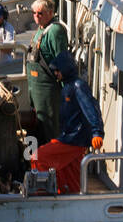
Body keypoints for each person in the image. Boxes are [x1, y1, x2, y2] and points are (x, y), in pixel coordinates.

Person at [31, 50, 104, 194]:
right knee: (70, 174)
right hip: (71, 137)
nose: (56, 74)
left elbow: (91, 109)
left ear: (65, 69)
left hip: (73, 139)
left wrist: (97, 132)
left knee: (38, 157)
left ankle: (40, 193)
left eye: (58, 71)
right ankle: (70, 195)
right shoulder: (67, 87)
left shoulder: (78, 87)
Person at [26, 0, 68, 143]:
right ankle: (33, 160)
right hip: (35, 91)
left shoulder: (55, 31)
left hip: (48, 92)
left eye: (40, 13)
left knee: (50, 129)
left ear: (51, 13)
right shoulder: (40, 29)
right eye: (34, 13)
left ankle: (52, 163)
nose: (36, 16)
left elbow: (62, 61)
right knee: (35, 127)